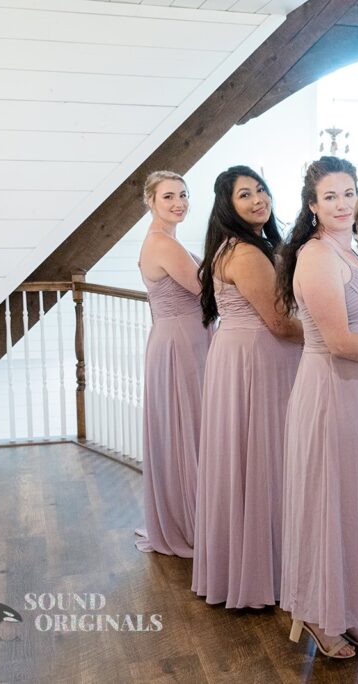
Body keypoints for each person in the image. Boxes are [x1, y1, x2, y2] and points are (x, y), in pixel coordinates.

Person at [276, 157, 358, 660]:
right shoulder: (317, 256)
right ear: (313, 205)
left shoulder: (354, 251)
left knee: (355, 499)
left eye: (349, 193)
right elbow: (340, 341)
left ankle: (351, 606)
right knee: (329, 497)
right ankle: (319, 612)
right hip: (332, 389)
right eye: (331, 196)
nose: (342, 204)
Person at [192, 166, 303, 609]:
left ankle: (248, 563)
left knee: (249, 460)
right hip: (257, 360)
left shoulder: (245, 246)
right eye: (245, 194)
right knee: (262, 458)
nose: (259, 199)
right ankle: (263, 571)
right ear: (228, 205)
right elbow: (278, 321)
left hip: (241, 356)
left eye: (261, 189)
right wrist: (330, 333)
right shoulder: (245, 253)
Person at [135, 170, 210, 557]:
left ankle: (193, 512)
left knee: (189, 427)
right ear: (151, 201)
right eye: (168, 197)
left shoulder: (167, 240)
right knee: (190, 427)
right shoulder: (161, 244)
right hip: (181, 342)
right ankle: (194, 519)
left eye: (183, 194)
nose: (178, 202)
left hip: (180, 337)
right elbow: (206, 290)